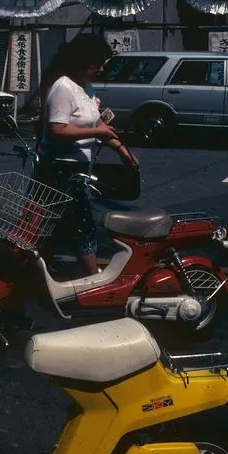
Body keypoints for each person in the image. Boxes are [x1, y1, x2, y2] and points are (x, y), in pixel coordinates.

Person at [37, 35, 137, 276]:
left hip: (77, 169)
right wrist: (98, 130)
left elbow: (100, 126)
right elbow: (57, 129)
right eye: (97, 64)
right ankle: (94, 278)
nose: (101, 69)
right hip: (59, 169)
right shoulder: (63, 87)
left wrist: (123, 151)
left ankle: (34, 272)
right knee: (81, 225)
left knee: (54, 226)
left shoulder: (86, 88)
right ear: (81, 62)